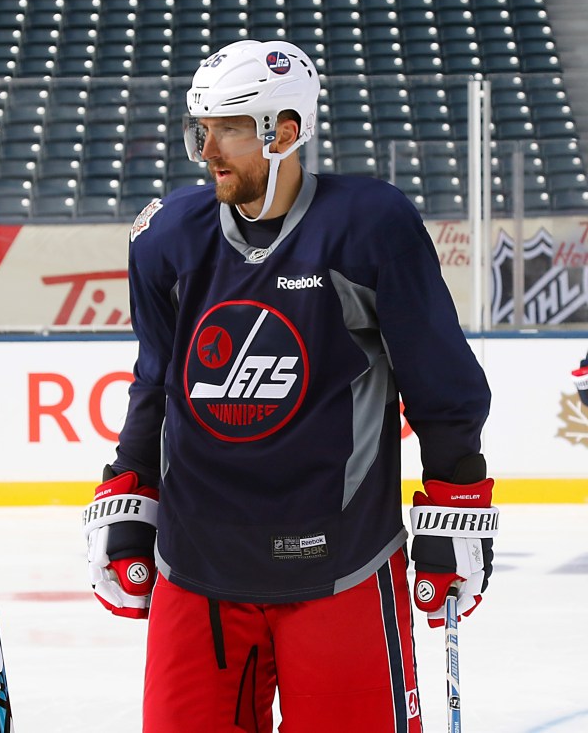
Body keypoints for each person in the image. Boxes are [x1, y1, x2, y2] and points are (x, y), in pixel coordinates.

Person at [82, 40, 499, 732]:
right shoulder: (166, 240)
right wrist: (129, 485)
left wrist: (458, 498)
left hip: (343, 566)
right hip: (197, 568)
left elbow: (440, 382)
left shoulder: (370, 226)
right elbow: (156, 376)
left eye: (230, 129)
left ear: (285, 129)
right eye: (202, 128)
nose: (209, 149)